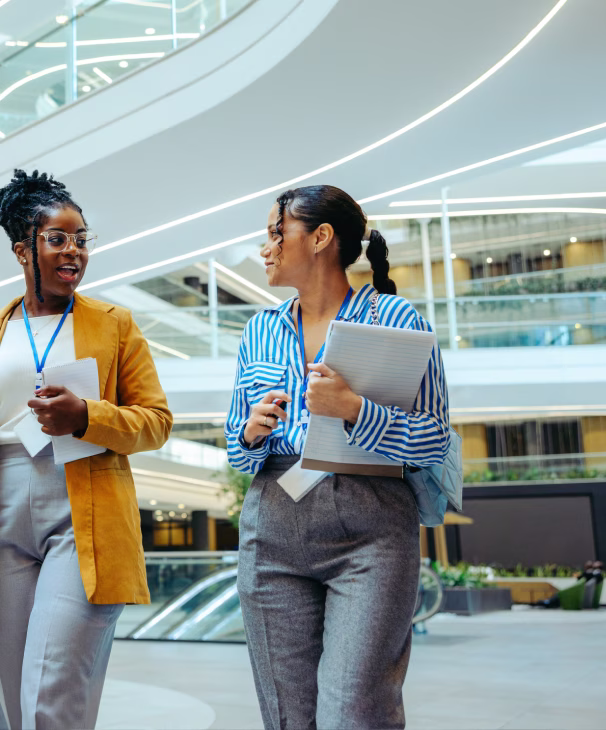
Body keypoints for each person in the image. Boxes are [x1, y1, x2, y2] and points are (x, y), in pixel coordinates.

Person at [0, 169, 172, 730]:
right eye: (58, 238)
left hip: (85, 506)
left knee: (53, 690)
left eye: (82, 238)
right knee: (17, 694)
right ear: (22, 249)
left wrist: (87, 416)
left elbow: (156, 423)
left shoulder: (114, 325)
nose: (74, 250)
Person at [225, 185, 451, 728]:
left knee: (355, 707)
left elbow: (435, 438)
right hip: (272, 524)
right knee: (286, 711)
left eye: (277, 233)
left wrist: (354, 409)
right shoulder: (259, 330)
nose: (267, 248)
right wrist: (252, 432)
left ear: (321, 237)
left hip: (371, 526)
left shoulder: (396, 318)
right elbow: (237, 449)